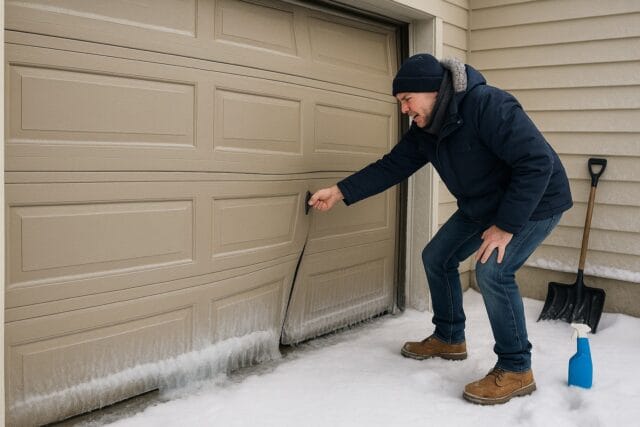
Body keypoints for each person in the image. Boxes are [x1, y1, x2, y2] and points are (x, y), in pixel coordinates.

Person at [307, 53, 573, 405]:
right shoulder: (425, 129)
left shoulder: (487, 105)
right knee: (437, 256)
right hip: (484, 204)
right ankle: (449, 338)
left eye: (406, 100)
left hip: (535, 200)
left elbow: (536, 162)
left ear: (432, 90)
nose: (404, 110)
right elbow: (392, 166)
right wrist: (340, 191)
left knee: (492, 270)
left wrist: (506, 226)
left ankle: (516, 368)